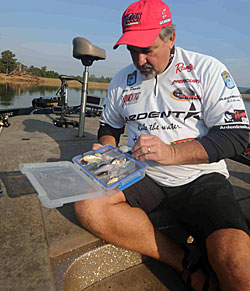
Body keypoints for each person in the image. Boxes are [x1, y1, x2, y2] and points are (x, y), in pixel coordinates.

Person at [74, 0, 250, 290]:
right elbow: (110, 126)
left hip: (201, 177)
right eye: (133, 50)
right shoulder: (121, 81)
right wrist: (105, 149)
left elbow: (235, 135)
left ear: (171, 38)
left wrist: (172, 153)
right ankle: (184, 262)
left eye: (148, 49)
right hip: (141, 172)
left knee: (237, 264)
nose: (140, 59)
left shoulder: (207, 69)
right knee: (88, 206)